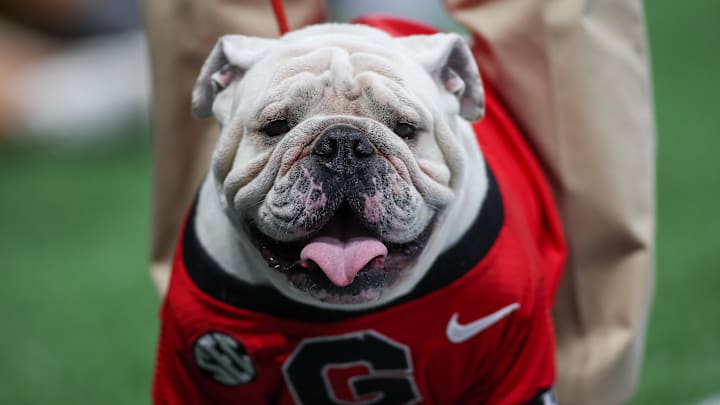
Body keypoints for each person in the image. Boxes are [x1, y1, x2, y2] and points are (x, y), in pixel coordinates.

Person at [141, 0, 656, 403]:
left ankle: (583, 385)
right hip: (233, 286)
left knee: (550, 27)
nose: (343, 160)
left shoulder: (497, 267)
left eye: (403, 128)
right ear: (220, 86)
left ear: (457, 92)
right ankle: (238, 356)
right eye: (277, 125)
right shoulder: (205, 291)